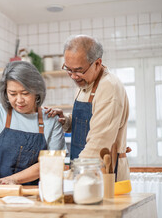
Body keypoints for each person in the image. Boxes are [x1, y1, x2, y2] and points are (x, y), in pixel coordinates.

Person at [46, 35, 130, 181]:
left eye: (78, 70)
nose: (73, 76)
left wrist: (71, 177)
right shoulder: (84, 83)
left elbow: (99, 141)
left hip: (103, 172)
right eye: (68, 69)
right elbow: (87, 122)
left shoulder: (109, 87)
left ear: (97, 63)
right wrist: (66, 121)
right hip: (83, 168)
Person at [0, 61, 66, 185]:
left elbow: (52, 161)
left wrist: (14, 179)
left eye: (25, 93)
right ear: (5, 92)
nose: (19, 100)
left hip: (35, 194)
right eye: (13, 94)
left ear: (37, 91)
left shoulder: (51, 119)